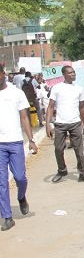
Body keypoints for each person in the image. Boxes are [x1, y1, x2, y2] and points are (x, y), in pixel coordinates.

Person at [0, 65, 37, 231]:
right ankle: (7, 217)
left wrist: (31, 139)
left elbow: (24, 117)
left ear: (3, 74)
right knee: (1, 183)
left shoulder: (16, 93)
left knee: (20, 177)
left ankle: (21, 197)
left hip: (14, 142)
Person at [46, 66, 84, 183]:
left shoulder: (79, 89)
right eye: (70, 73)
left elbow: (82, 108)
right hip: (60, 123)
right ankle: (62, 170)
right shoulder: (57, 88)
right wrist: (48, 124)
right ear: (64, 74)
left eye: (74, 72)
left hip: (75, 123)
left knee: (79, 150)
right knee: (58, 149)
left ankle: (83, 173)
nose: (73, 74)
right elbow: (51, 106)